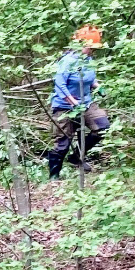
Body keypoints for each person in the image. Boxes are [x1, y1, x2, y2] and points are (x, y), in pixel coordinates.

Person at [47, 25, 108, 180]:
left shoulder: (88, 59)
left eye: (94, 48)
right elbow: (60, 85)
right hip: (64, 106)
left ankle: (76, 157)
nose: (93, 51)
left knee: (102, 127)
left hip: (86, 103)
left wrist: (98, 86)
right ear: (81, 44)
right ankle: (54, 176)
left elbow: (89, 77)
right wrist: (73, 102)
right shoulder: (67, 61)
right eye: (90, 47)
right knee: (62, 143)